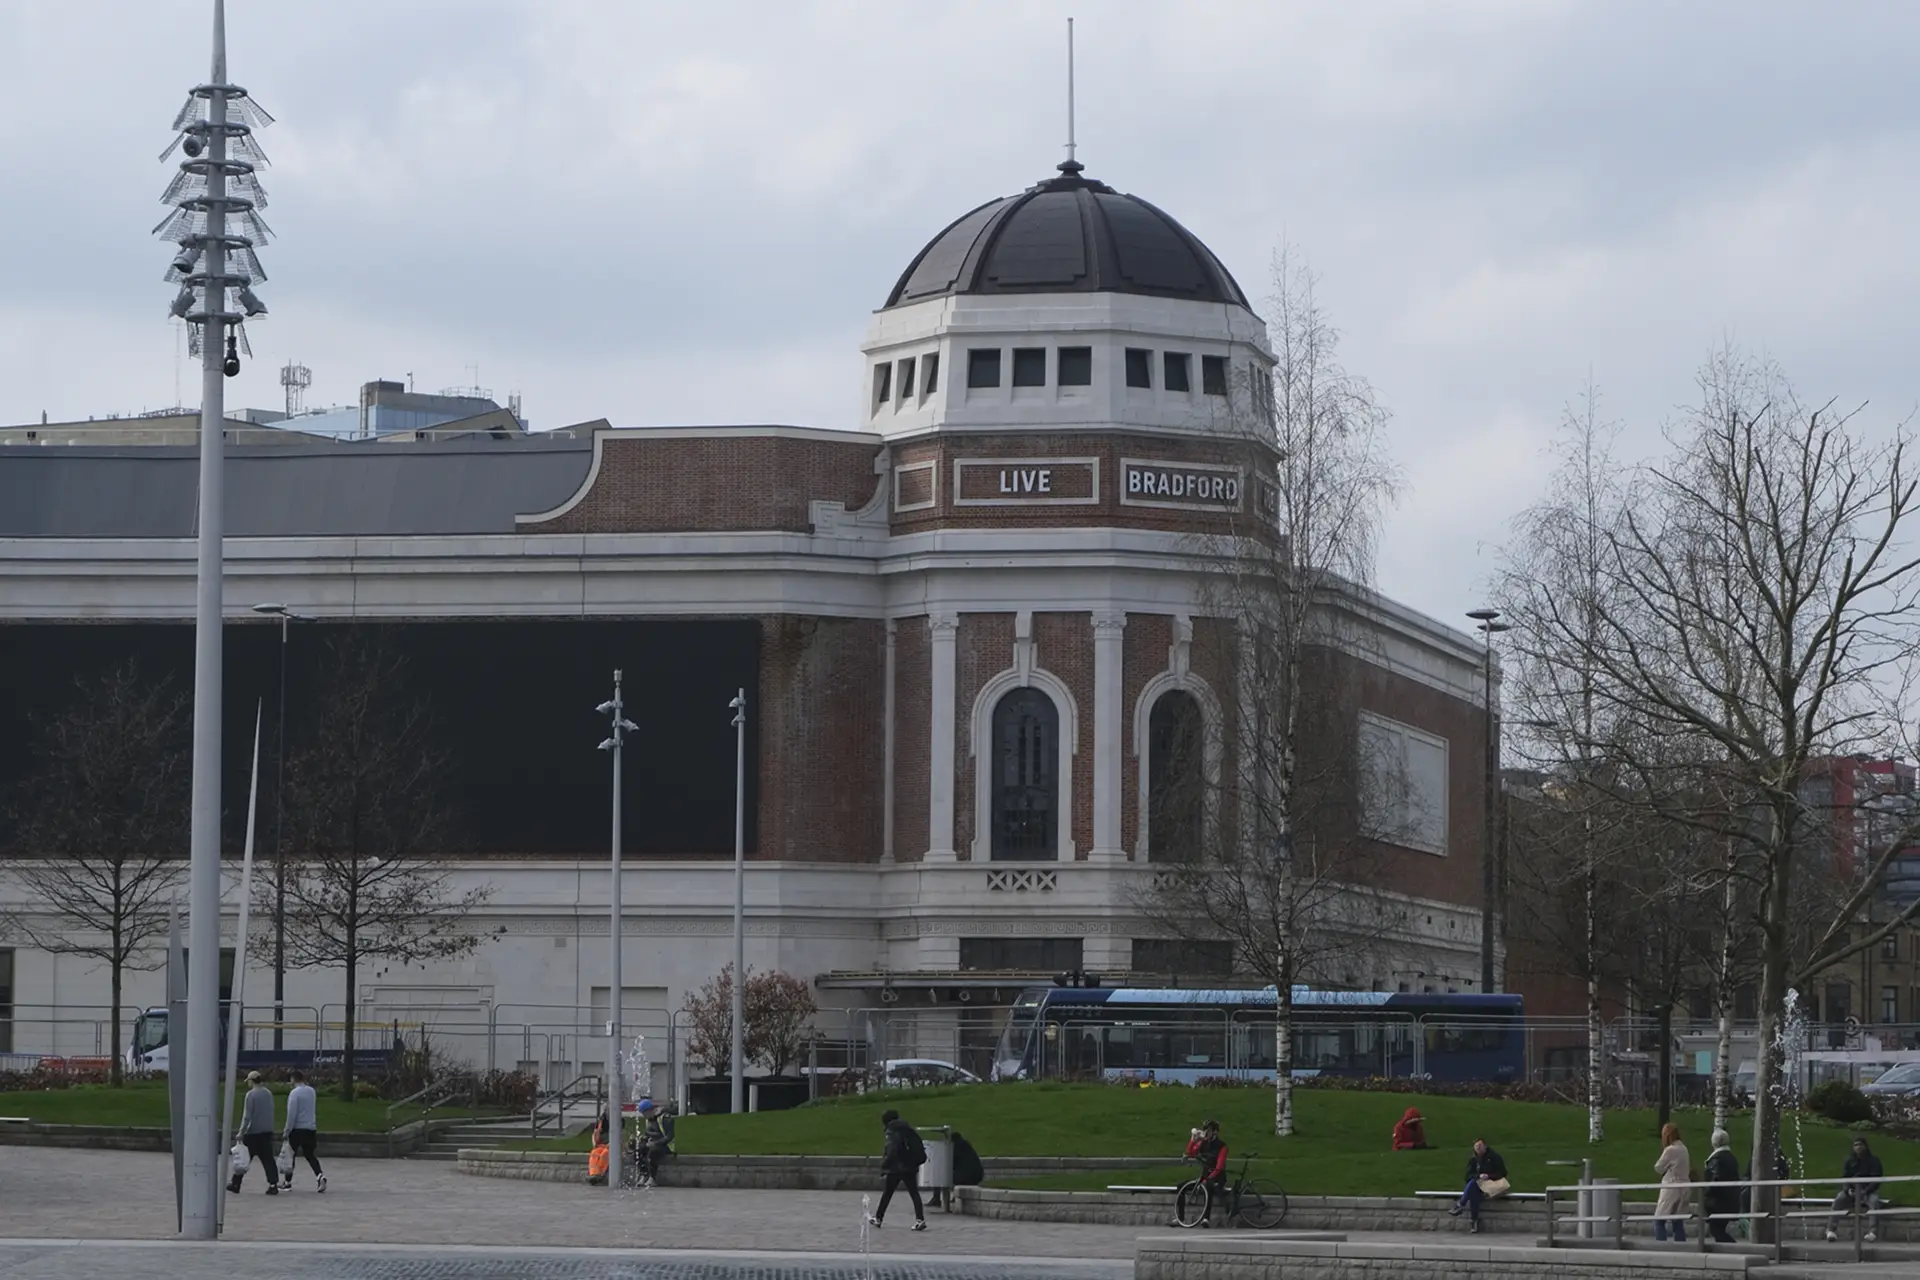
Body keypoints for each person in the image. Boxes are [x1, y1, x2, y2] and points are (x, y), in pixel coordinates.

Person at [867, 1108, 928, 1231]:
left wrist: (884, 1165)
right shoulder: (907, 1128)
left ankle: (878, 1218)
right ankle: (920, 1219)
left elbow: (892, 1149)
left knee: (887, 1194)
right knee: (914, 1193)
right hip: (910, 1165)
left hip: (896, 1167)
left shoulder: (892, 1131)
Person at [229, 1070, 279, 1196]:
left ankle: (236, 1183)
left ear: (252, 1081)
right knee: (268, 1159)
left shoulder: (251, 1095)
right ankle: (273, 1184)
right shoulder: (268, 1093)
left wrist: (241, 1132)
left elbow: (247, 1116)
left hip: (253, 1133)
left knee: (244, 1159)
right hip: (267, 1132)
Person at [1825, 1136, 1884, 1243]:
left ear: (1865, 1147)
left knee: (1874, 1202)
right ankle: (1831, 1230)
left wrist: (1865, 1191)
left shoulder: (1874, 1161)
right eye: (1856, 1145)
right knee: (1839, 1200)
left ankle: (1873, 1232)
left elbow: (1876, 1179)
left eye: (1861, 1145)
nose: (1858, 1147)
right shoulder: (1849, 1161)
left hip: (1868, 1191)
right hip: (1852, 1191)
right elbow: (1845, 1178)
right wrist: (1848, 1190)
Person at [280, 1069, 326, 1193]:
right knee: (310, 1155)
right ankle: (320, 1175)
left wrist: (287, 1130)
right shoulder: (311, 1092)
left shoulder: (294, 1094)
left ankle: (287, 1182)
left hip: (297, 1129)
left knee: (291, 1156)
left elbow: (291, 1114)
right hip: (310, 1128)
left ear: (293, 1079)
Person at [1448, 1139, 1507, 1233]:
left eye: (1480, 1147)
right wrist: (1478, 1176)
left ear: (1485, 1147)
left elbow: (1502, 1173)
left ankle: (1461, 1206)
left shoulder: (1494, 1157)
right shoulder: (1473, 1160)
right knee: (1473, 1187)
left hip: (1492, 1185)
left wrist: (1488, 1176)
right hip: (1479, 1185)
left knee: (1473, 1185)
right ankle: (1473, 1221)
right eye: (1476, 1148)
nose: (1478, 1150)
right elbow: (1468, 1176)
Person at [1181, 1120, 1229, 1227]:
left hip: (1217, 1177)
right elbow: (1190, 1153)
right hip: (1205, 1176)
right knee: (1181, 1186)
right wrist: (1193, 1140)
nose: (1206, 1132)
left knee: (1208, 1187)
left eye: (1209, 1130)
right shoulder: (1203, 1143)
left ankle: (1206, 1218)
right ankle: (1180, 1217)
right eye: (1205, 1130)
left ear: (1215, 1132)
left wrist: (1207, 1179)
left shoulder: (1222, 1146)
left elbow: (1219, 1167)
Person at [1653, 1123, 1690, 1242]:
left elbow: (1658, 1167)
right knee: (1677, 1221)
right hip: (1684, 1187)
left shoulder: (1670, 1150)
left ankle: (1661, 1246)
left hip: (1671, 1187)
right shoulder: (1683, 1148)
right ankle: (1681, 1246)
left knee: (1659, 1220)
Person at [1703, 1128, 1738, 1243]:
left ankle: (1733, 1248)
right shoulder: (1731, 1157)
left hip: (1718, 1202)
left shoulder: (1716, 1159)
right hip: (1730, 1199)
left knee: (1716, 1229)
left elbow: (1715, 1180)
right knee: (1718, 1229)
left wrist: (1706, 1193)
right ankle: (1729, 1249)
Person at [634, 1099, 675, 1185]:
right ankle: (643, 1174)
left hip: (666, 1145)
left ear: (650, 1110)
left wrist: (655, 1143)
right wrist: (642, 1139)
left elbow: (669, 1136)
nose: (644, 1116)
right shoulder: (648, 1120)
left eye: (645, 1113)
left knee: (653, 1153)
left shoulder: (664, 1117)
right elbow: (648, 1133)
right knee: (639, 1150)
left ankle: (652, 1178)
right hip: (653, 1142)